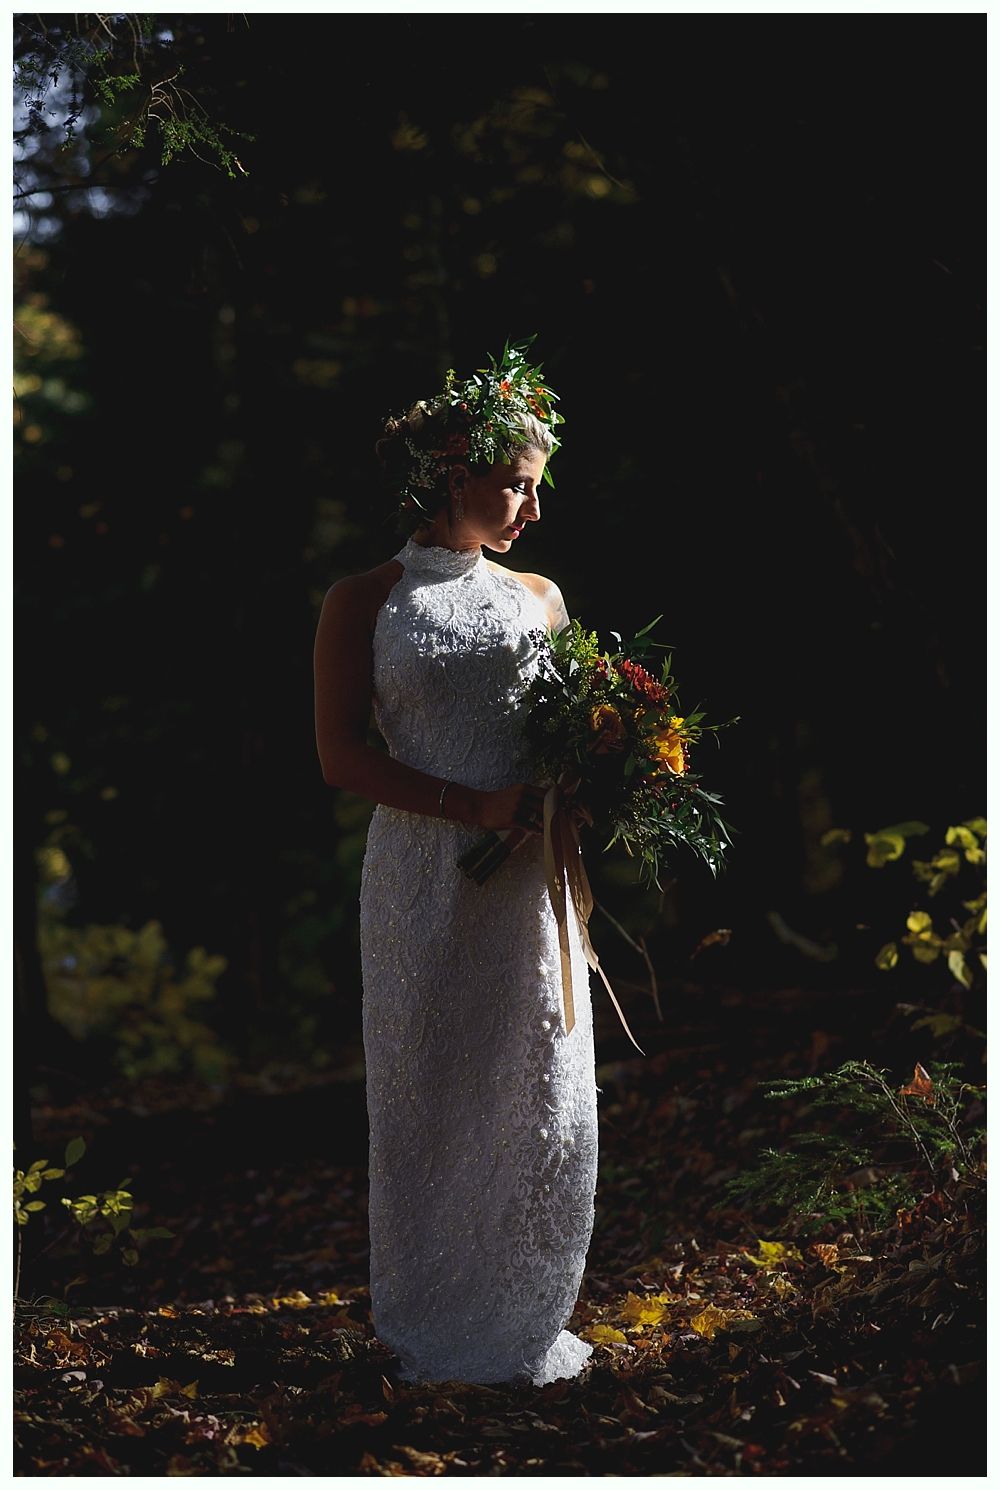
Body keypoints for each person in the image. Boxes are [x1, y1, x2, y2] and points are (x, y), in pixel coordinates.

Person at [313, 340, 598, 1386]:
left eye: (534, 486)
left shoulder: (541, 595)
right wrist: (466, 802)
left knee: (540, 1088)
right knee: (431, 1089)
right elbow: (342, 754)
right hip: (422, 879)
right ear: (451, 471)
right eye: (514, 484)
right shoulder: (366, 599)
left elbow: (570, 733)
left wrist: (604, 778)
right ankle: (432, 1317)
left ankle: (526, 1311)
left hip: (530, 879)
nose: (530, 508)